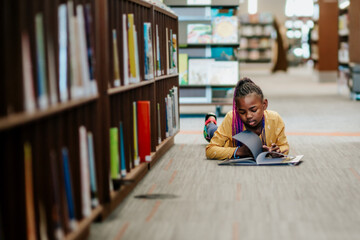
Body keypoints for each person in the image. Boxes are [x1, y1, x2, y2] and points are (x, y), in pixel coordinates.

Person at [204, 77, 289, 160]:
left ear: (264, 105)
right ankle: (210, 123)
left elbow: (284, 146)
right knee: (213, 132)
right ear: (237, 110)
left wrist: (278, 151)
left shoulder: (274, 119)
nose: (248, 116)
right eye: (242, 112)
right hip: (226, 140)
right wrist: (239, 151)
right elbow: (210, 150)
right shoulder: (232, 118)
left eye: (254, 110)